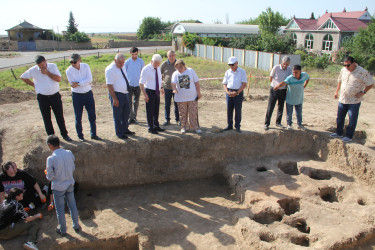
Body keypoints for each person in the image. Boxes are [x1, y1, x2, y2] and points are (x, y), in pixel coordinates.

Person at [20, 55, 72, 142]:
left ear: (45, 61)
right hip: (42, 97)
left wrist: (47, 72)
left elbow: (58, 79)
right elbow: (23, 77)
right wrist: (33, 85)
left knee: (59, 116)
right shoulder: (33, 70)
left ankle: (64, 134)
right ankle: (51, 137)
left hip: (55, 95)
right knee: (46, 118)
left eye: (43, 64)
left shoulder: (53, 66)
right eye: (39, 65)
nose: (41, 67)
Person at [330, 56, 374, 142]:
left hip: (354, 101)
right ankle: (339, 133)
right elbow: (339, 80)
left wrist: (363, 92)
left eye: (348, 65)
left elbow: (371, 83)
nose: (346, 67)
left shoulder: (362, 72)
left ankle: (348, 136)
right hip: (343, 98)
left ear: (353, 63)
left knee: (352, 118)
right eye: (344, 65)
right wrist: (336, 92)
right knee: (340, 117)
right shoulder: (343, 70)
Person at [46, 135, 81, 236]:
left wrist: (49, 174)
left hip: (58, 187)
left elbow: (50, 177)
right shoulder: (69, 153)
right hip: (70, 183)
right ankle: (76, 225)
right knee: (72, 205)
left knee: (60, 209)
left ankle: (63, 230)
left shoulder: (51, 158)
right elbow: (72, 167)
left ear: (50, 145)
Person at [66, 53, 101, 142]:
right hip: (77, 96)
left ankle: (93, 134)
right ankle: (80, 136)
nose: (73, 64)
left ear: (79, 60)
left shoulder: (86, 66)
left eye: (74, 62)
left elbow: (90, 79)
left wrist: (78, 83)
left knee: (92, 115)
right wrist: (82, 83)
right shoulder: (68, 71)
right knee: (78, 116)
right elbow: (73, 85)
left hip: (88, 94)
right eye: (71, 62)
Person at [105, 54, 135, 140]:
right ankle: (119, 133)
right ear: (115, 60)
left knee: (126, 113)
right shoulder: (110, 69)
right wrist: (114, 99)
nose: (122, 64)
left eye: (123, 62)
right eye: (119, 63)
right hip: (117, 94)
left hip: (124, 93)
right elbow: (109, 85)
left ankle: (125, 129)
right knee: (118, 115)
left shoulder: (122, 66)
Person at [274, 64, 309, 130]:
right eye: (293, 72)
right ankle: (289, 125)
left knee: (299, 113)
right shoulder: (290, 78)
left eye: (296, 72)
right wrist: (277, 86)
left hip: (299, 98)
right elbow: (284, 82)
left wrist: (305, 85)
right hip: (290, 99)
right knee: (289, 113)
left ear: (300, 72)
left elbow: (308, 78)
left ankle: (299, 124)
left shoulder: (304, 75)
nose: (294, 74)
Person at [171, 60, 202, 134]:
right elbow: (173, 83)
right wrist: (174, 89)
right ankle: (183, 127)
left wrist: (198, 93)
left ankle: (195, 127)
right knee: (182, 114)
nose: (179, 69)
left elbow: (196, 82)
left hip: (192, 97)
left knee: (193, 113)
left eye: (180, 67)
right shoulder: (175, 74)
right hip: (181, 98)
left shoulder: (191, 71)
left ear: (184, 65)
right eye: (177, 68)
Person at [264, 56, 292, 130]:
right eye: (285, 64)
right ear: (282, 62)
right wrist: (274, 85)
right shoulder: (276, 68)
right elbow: (271, 77)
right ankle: (266, 123)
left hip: (283, 90)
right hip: (274, 90)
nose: (286, 66)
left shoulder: (289, 69)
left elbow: (289, 79)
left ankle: (278, 122)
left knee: (281, 106)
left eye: (287, 64)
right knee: (271, 106)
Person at [139, 54, 165, 134]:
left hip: (156, 91)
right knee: (150, 110)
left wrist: (161, 88)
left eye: (158, 63)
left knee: (156, 109)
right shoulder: (146, 69)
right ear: (151, 61)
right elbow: (141, 83)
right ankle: (150, 127)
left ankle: (156, 125)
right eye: (155, 63)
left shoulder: (158, 68)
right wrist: (145, 94)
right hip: (149, 91)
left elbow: (159, 79)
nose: (157, 65)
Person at [222, 56, 247, 132]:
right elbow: (224, 83)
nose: (231, 66)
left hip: (238, 93)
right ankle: (229, 125)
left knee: (238, 109)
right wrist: (228, 92)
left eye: (232, 64)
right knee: (229, 109)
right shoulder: (227, 72)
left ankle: (237, 125)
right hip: (229, 92)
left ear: (237, 63)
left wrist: (237, 92)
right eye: (230, 65)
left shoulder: (242, 72)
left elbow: (244, 84)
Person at [125, 47, 145, 124]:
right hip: (129, 85)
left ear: (137, 53)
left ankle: (134, 117)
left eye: (135, 54)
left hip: (138, 84)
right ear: (130, 53)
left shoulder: (141, 62)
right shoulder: (127, 62)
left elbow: (143, 73)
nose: (134, 56)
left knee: (136, 102)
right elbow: (124, 73)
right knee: (129, 102)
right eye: (133, 54)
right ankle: (131, 117)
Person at [161, 50, 180, 126]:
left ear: (175, 55)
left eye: (172, 55)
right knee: (167, 104)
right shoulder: (164, 64)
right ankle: (167, 119)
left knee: (177, 104)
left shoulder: (178, 64)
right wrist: (161, 87)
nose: (171, 57)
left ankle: (178, 120)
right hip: (167, 88)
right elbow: (159, 74)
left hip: (177, 88)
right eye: (170, 56)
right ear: (167, 56)